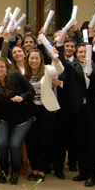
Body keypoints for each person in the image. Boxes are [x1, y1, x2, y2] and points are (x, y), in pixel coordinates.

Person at [0, 57, 35, 185]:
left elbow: (31, 91)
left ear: (6, 68)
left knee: (15, 145)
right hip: (4, 118)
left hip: (22, 117)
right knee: (1, 144)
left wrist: (22, 97)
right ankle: (4, 171)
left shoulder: (16, 76)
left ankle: (15, 172)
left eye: (1, 66)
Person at [58, 42, 95, 187]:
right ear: (77, 54)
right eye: (81, 52)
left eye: (86, 52)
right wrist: (59, 45)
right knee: (79, 142)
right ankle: (83, 172)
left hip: (93, 111)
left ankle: (92, 174)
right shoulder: (73, 68)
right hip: (76, 111)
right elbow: (63, 64)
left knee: (93, 143)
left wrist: (89, 70)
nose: (83, 54)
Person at [23, 48, 64, 181]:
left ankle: (42, 169)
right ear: (28, 59)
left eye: (37, 58)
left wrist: (54, 56)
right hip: (30, 111)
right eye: (31, 58)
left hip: (46, 110)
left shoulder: (47, 70)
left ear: (41, 60)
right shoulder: (24, 74)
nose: (34, 61)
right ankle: (34, 168)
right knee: (31, 142)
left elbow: (60, 69)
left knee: (45, 141)